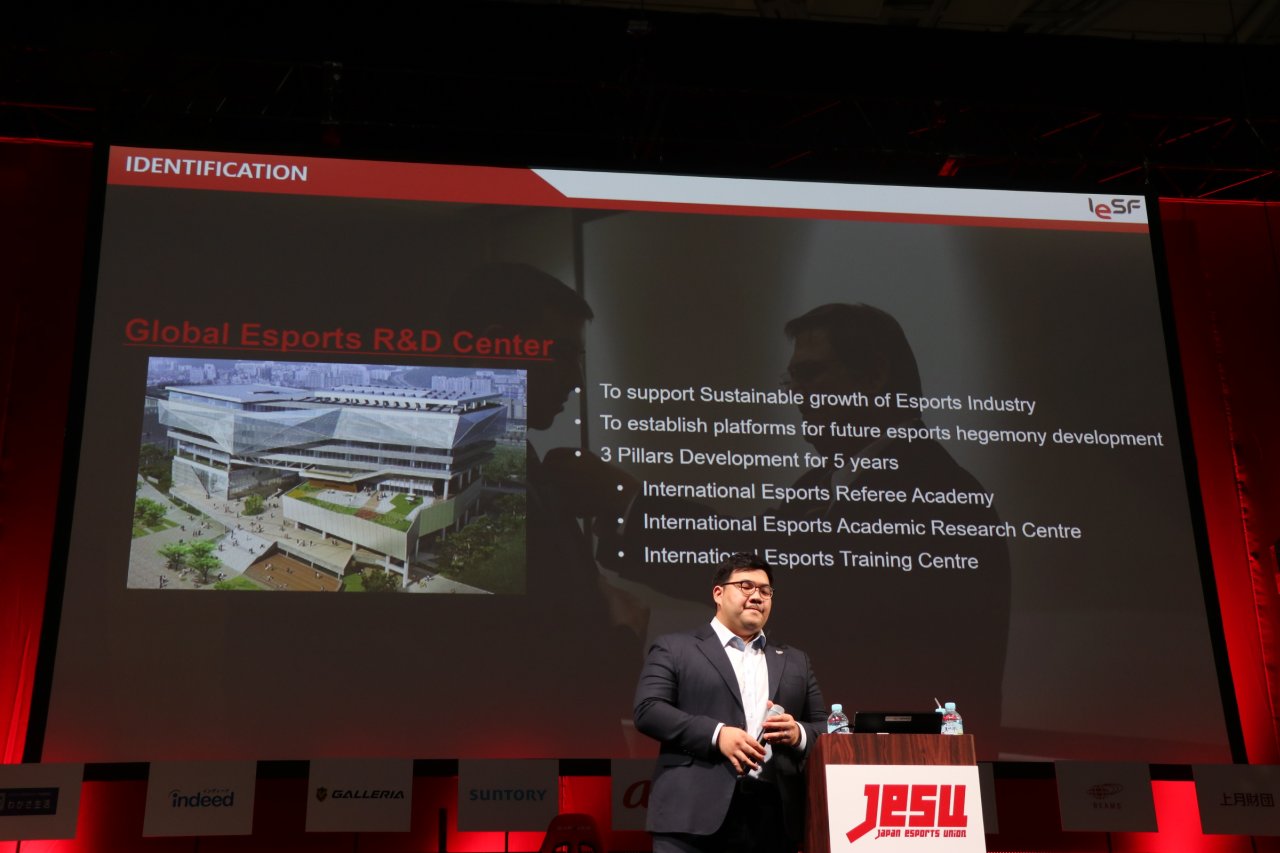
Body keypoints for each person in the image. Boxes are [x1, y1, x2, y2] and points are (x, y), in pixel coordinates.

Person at [634, 552, 826, 853]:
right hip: (692, 816)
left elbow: (826, 728)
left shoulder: (795, 660)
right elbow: (649, 710)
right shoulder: (675, 648)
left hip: (773, 818)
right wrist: (717, 734)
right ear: (718, 594)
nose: (757, 596)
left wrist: (798, 733)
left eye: (765, 591)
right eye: (746, 586)